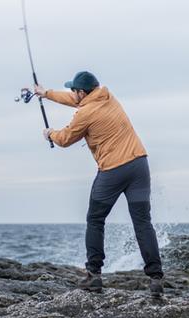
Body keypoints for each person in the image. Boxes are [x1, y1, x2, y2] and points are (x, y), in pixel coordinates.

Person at [32, 71, 164, 297]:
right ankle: (156, 279)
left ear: (82, 92)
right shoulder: (107, 96)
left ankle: (94, 276)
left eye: (73, 90)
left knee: (95, 220)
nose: (72, 94)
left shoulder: (85, 114)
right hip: (139, 165)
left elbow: (65, 139)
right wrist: (46, 94)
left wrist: (49, 134)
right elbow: (75, 100)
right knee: (143, 223)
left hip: (113, 171)